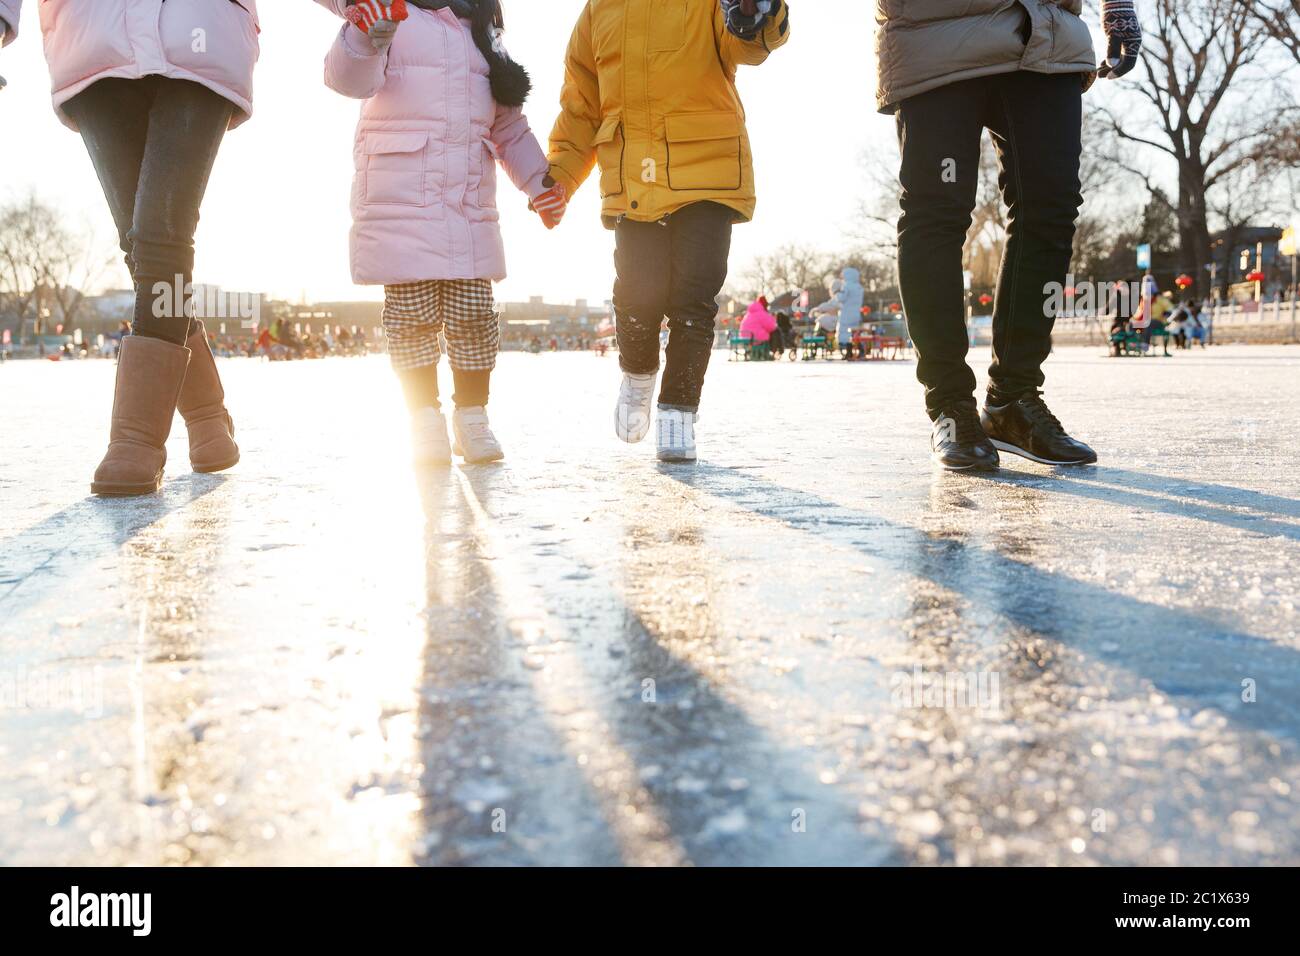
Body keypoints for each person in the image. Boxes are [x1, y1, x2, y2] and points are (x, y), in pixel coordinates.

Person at [2, 0, 255, 494]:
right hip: (94, 42)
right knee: (140, 247)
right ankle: (207, 417)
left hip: (199, 33)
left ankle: (137, 438)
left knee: (162, 235)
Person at [879, 0, 1140, 470]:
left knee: (1051, 210)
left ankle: (1013, 399)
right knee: (935, 215)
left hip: (1045, 32)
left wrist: (1118, 4)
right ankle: (949, 403)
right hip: (935, 29)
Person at [317, 0, 566, 466]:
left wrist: (539, 183)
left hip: (467, 205)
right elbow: (347, 79)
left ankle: (472, 415)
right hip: (401, 197)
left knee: (474, 315)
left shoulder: (485, 35)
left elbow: (508, 126)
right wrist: (364, 32)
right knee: (411, 318)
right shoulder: (396, 14)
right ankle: (423, 418)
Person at [547, 0, 791, 462]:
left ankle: (679, 411)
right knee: (636, 294)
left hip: (707, 171)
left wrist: (755, 15)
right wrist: (561, 175)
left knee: (693, 301)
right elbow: (581, 104)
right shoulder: (599, 10)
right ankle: (638, 374)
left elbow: (749, 46)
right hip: (632, 178)